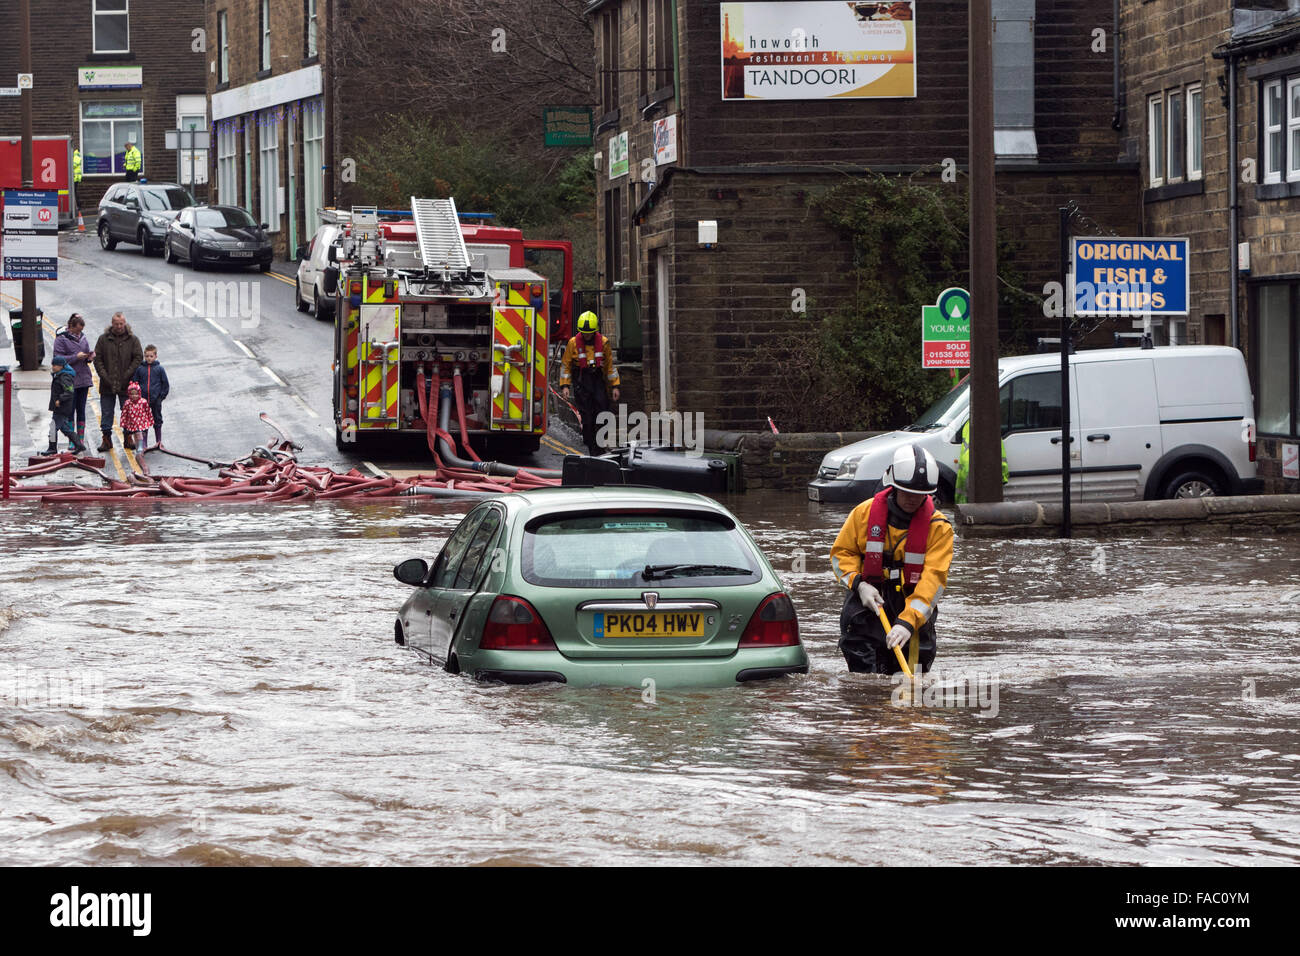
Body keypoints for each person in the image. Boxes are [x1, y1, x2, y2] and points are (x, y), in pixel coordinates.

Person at [830, 444, 954, 675]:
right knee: (862, 674)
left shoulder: (939, 528)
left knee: (911, 673)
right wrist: (859, 584)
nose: (911, 500)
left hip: (911, 603)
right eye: (906, 492)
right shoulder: (863, 514)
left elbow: (933, 582)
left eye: (919, 495)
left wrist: (908, 622)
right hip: (867, 599)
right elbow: (841, 554)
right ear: (893, 485)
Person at [559, 310, 621, 457]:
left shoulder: (604, 343)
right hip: (582, 383)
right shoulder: (573, 344)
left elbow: (610, 367)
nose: (587, 336)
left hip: (597, 381)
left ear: (595, 331)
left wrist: (615, 386)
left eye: (590, 333)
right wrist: (565, 386)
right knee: (587, 418)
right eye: (584, 333)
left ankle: (599, 445)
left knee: (603, 412)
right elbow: (566, 366)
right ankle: (591, 444)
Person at [92, 312, 143, 452]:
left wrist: (128, 375)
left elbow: (138, 358)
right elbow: (97, 359)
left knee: (127, 412)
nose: (119, 326)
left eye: (121, 324)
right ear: (112, 324)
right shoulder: (103, 339)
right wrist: (104, 376)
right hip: (107, 384)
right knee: (107, 412)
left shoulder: (133, 340)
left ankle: (128, 438)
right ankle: (106, 440)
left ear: (125, 323)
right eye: (116, 324)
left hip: (127, 385)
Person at [52, 314, 94, 452]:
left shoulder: (83, 337)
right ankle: (72, 441)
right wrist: (75, 357)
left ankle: (80, 439)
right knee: (70, 411)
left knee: (81, 410)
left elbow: (86, 352)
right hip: (69, 381)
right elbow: (57, 359)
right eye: (76, 331)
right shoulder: (61, 339)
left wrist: (89, 357)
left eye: (80, 331)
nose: (79, 334)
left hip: (83, 379)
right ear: (70, 327)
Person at [954, 419, 1009, 504]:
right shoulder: (985, 423)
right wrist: (1003, 475)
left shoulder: (972, 424)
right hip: (978, 478)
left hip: (972, 480)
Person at [45, 357, 86, 455]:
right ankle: (79, 445)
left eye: (55, 365)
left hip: (62, 407)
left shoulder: (64, 376)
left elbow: (69, 391)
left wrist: (60, 399)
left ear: (61, 366)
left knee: (53, 427)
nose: (53, 367)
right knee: (64, 428)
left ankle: (52, 448)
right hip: (60, 407)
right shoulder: (60, 375)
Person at [130, 344, 170, 448]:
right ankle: (144, 443)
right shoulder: (140, 369)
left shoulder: (160, 369)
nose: (148, 358)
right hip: (143, 401)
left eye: (151, 356)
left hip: (156, 399)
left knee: (157, 418)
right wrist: (137, 397)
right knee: (144, 421)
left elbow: (165, 384)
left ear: (155, 356)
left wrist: (161, 397)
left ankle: (159, 441)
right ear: (144, 356)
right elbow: (135, 383)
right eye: (147, 356)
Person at [120, 382, 154, 453]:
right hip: (132, 422)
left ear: (139, 393)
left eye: (136, 394)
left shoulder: (143, 402)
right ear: (129, 394)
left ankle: (141, 446)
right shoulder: (127, 403)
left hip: (141, 421)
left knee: (139, 433)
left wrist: (150, 419)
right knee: (135, 435)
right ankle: (137, 446)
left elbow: (148, 411)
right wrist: (124, 422)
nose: (134, 396)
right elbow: (124, 413)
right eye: (132, 394)